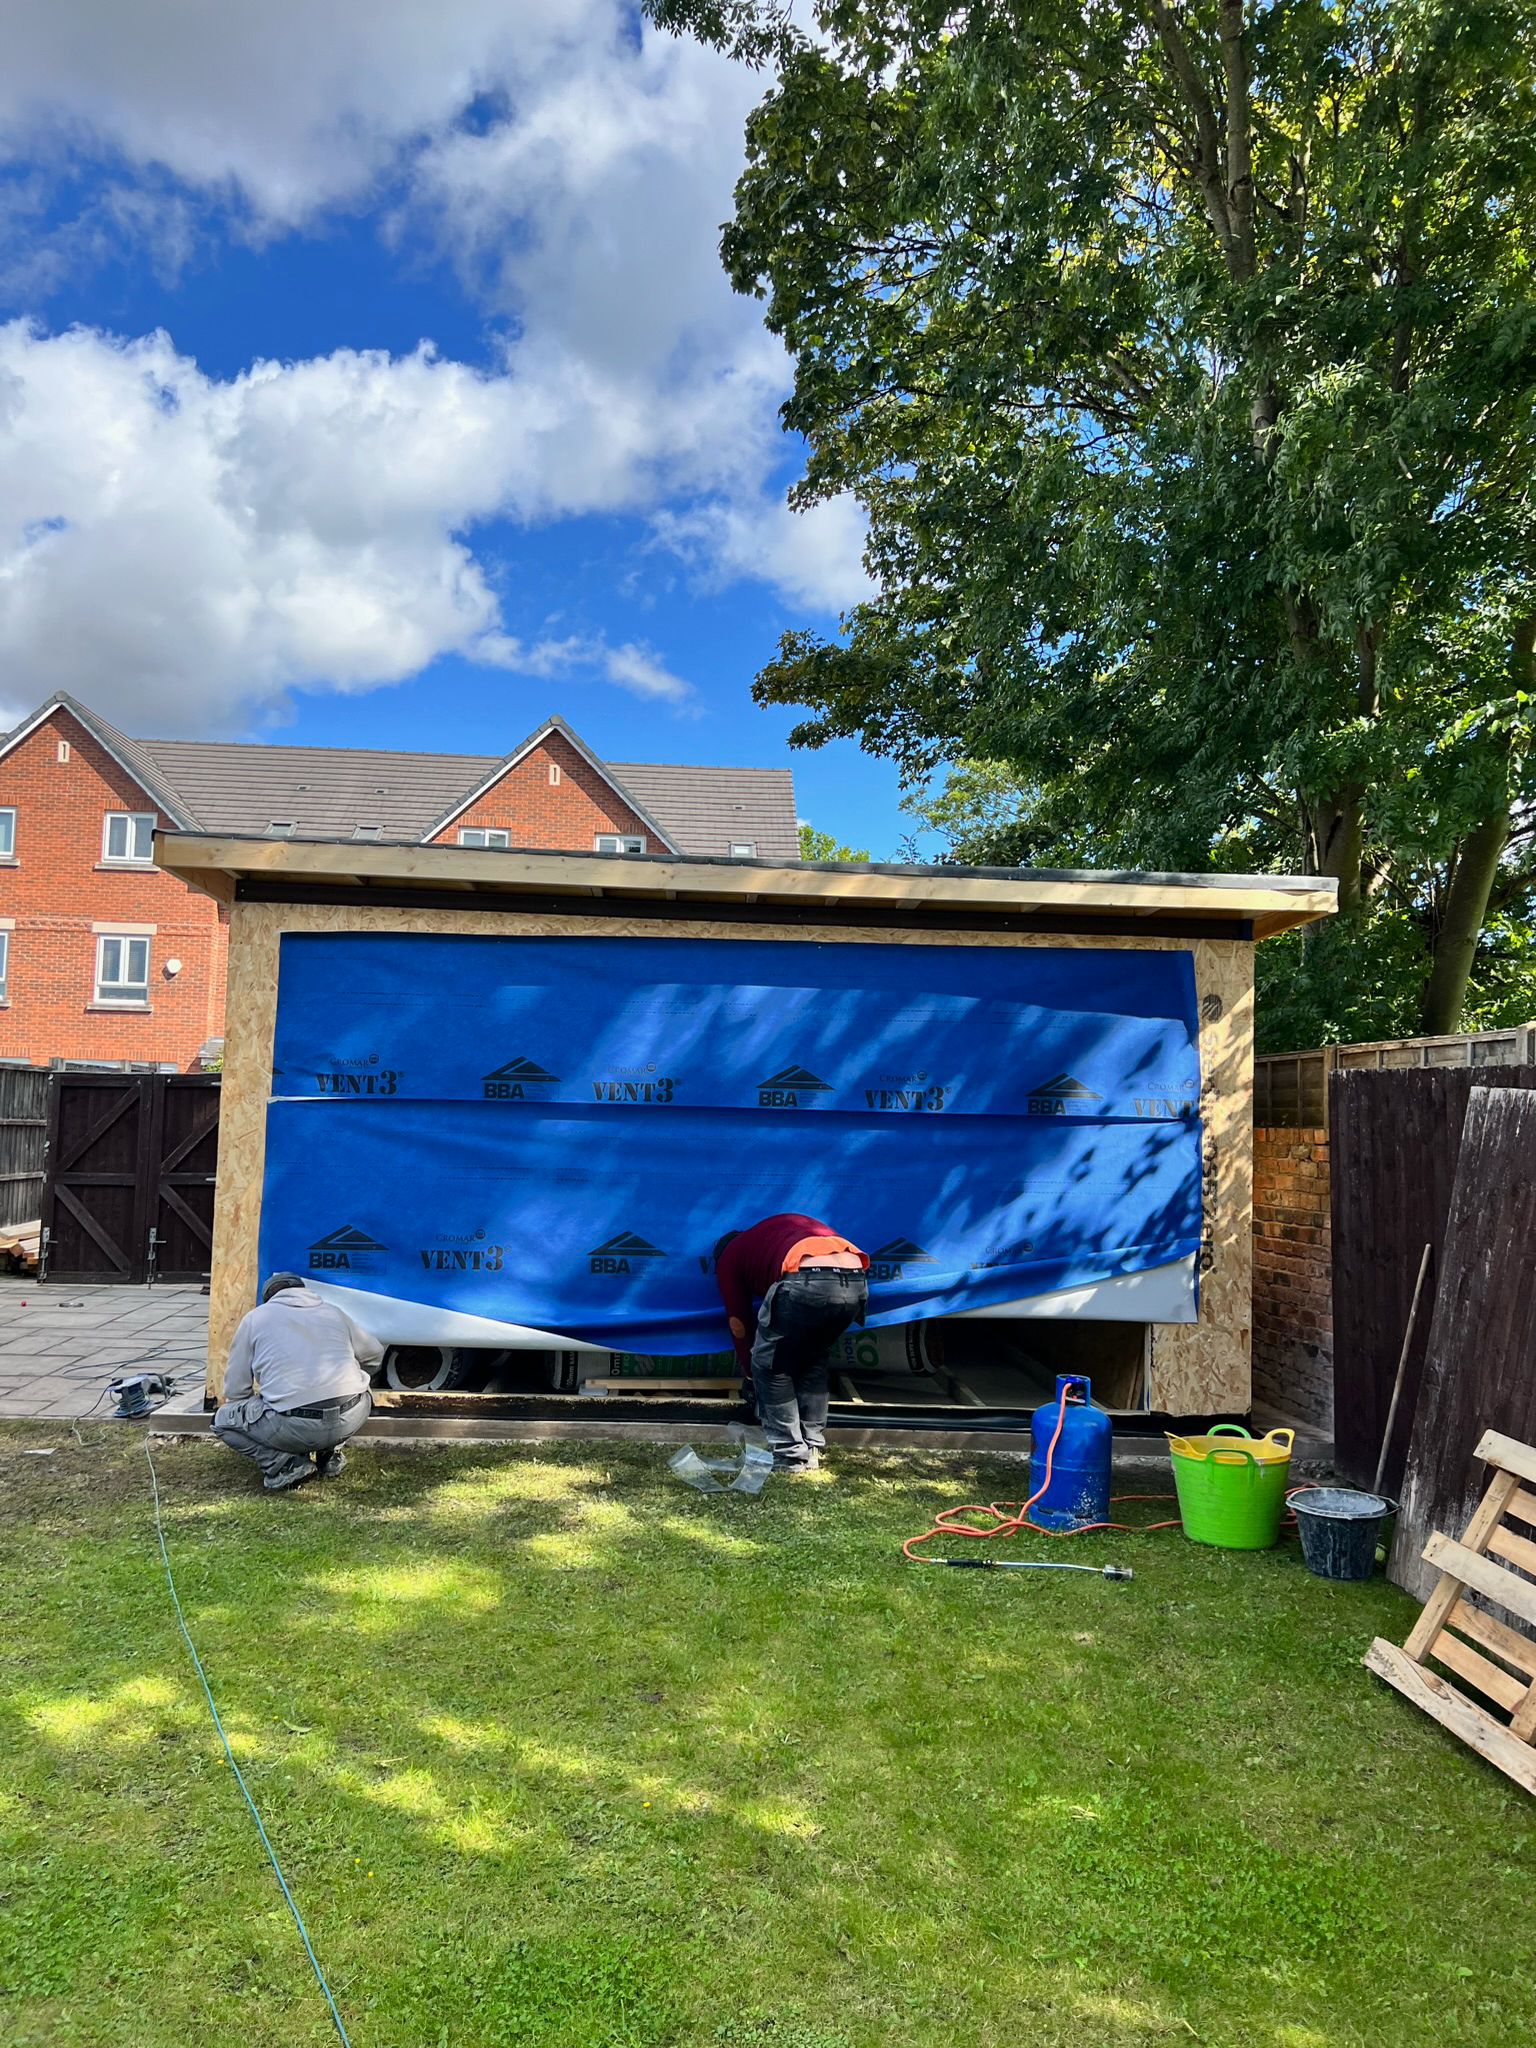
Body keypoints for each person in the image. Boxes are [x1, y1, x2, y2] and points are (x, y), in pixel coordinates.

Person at [714, 1213, 870, 1473]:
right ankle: (811, 1448)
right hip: (856, 1278)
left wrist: (751, 1373)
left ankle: (789, 1457)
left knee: (770, 1366)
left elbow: (738, 1325)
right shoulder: (770, 1236)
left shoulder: (730, 1258)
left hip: (808, 1277)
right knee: (813, 1358)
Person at [212, 1273, 382, 1492]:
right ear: (304, 1291)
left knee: (223, 1420)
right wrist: (359, 1374)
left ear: (269, 1298)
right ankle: (330, 1454)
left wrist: (261, 1406)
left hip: (294, 1423)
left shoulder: (256, 1319)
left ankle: (283, 1464)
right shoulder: (332, 1311)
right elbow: (374, 1353)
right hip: (352, 1413)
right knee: (351, 1389)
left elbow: (236, 1390)